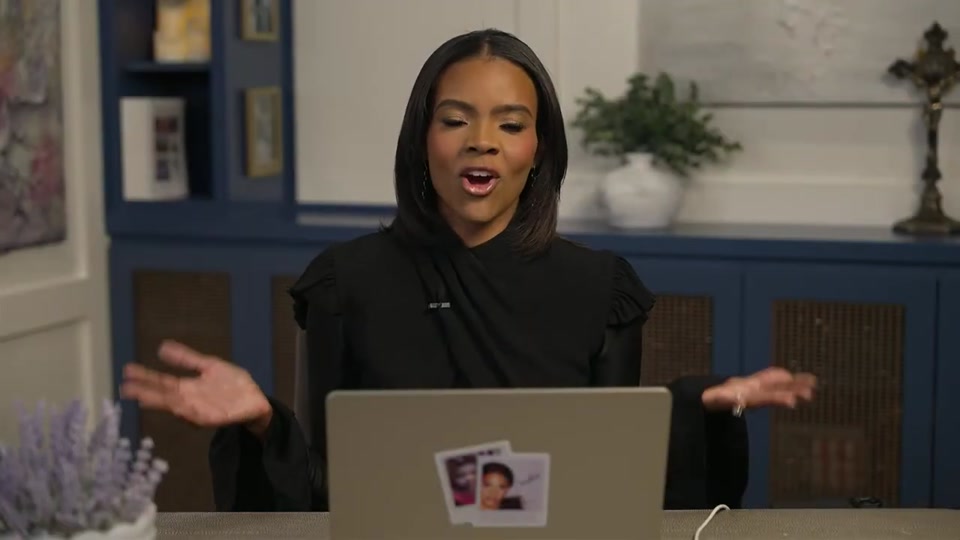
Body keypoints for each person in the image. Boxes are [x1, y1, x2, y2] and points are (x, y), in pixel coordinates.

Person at [120, 28, 816, 513]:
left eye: (510, 125)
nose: (482, 141)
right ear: (422, 139)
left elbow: (613, 478)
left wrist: (698, 410)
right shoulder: (342, 281)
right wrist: (261, 425)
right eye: (455, 120)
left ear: (538, 150)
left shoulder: (600, 288)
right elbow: (323, 487)